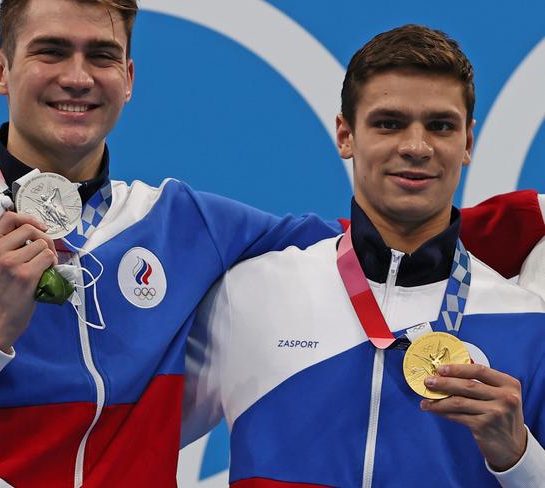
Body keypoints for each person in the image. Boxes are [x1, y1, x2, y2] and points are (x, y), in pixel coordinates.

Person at [0, 3, 542, 486]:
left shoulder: (184, 224)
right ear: (0, 69)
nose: (77, 76)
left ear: (128, 76)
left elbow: (369, 236)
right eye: (51, 51)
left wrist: (514, 228)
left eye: (100, 56)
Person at [183, 25, 545, 487]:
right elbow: (115, 438)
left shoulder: (528, 323)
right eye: (389, 123)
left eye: (440, 125)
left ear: (468, 142)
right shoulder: (251, 294)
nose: (416, 147)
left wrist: (518, 455)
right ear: (345, 134)